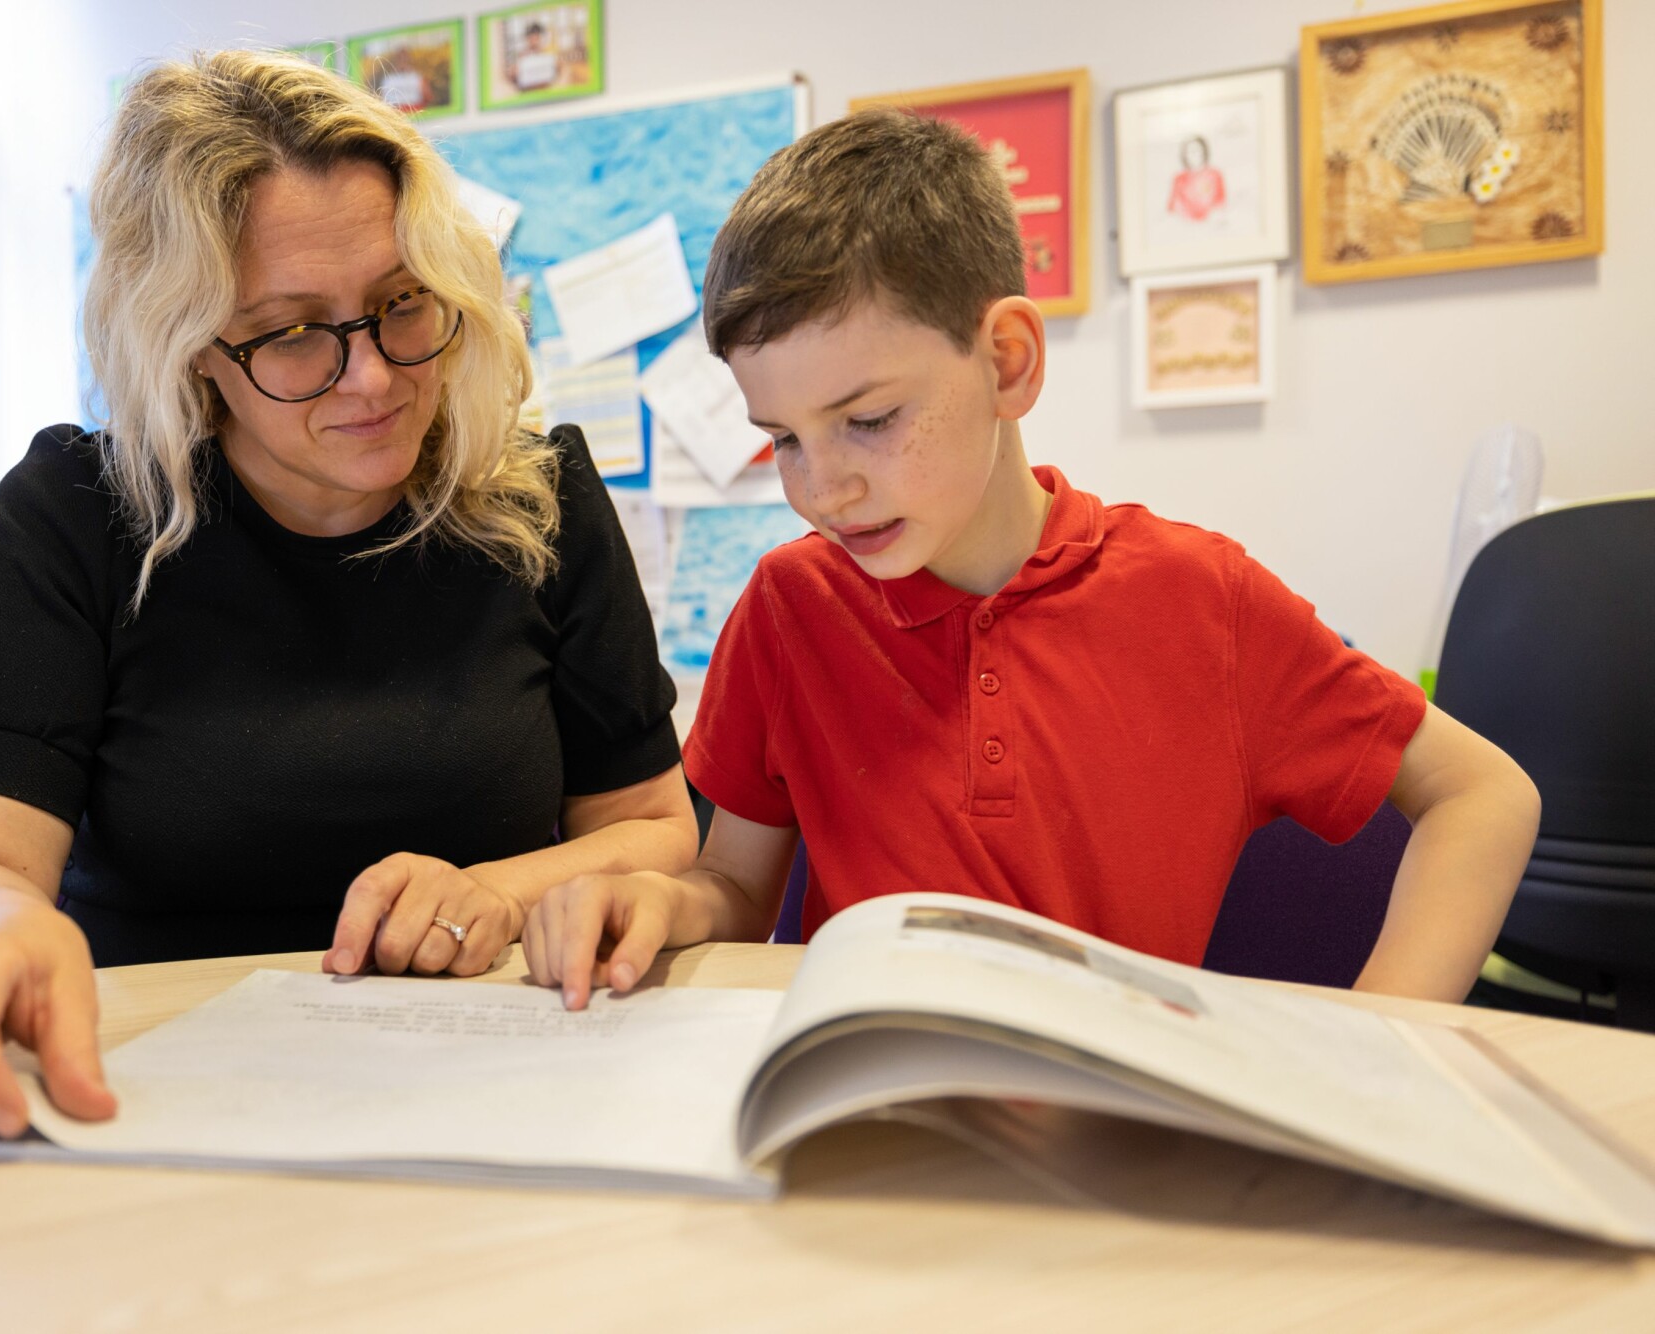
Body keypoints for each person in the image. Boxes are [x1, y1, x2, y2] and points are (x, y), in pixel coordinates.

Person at [0, 50, 697, 1139]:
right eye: (294, 332)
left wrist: (501, 889)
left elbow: (650, 826)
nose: (374, 376)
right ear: (193, 347)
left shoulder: (539, 500)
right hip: (154, 1092)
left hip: (488, 1087)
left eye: (401, 302)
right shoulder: (78, 514)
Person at [524, 110, 1540, 1010]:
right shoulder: (789, 607)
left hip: (1111, 1125)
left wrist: (1381, 1038)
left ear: (1007, 361)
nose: (821, 489)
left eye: (868, 420)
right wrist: (657, 899)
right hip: (868, 1116)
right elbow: (738, 891)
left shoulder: (1200, 599)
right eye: (783, 438)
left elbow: (1483, 794)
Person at [1168, 134, 1227, 222]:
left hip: (1212, 223)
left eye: (1197, 150)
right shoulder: (1179, 179)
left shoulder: (1215, 175)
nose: (1193, 154)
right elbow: (1172, 208)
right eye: (1189, 151)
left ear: (1204, 151)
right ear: (1185, 155)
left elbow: (1221, 203)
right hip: (1186, 224)